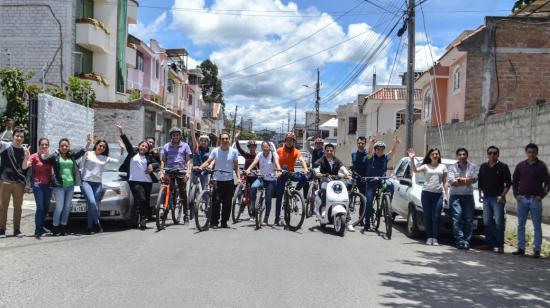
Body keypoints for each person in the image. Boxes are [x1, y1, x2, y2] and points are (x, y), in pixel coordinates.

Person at [39, 137, 90, 236]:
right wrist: (44, 151)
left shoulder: (71, 155)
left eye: (66, 145)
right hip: (59, 186)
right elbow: (44, 160)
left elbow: (82, 152)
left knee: (66, 207)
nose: (64, 147)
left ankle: (63, 227)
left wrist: (87, 144)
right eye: (62, 145)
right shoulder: (55, 156)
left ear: (69, 146)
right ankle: (55, 227)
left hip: (70, 186)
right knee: (59, 207)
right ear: (59, 146)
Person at [117, 124, 159, 230]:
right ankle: (141, 219)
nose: (144, 148)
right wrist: (122, 132)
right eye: (142, 146)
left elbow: (157, 164)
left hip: (147, 182)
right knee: (142, 198)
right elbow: (127, 144)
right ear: (139, 146)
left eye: (146, 147)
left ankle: (139, 220)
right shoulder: (133, 154)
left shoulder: (149, 157)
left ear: (148, 149)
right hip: (134, 181)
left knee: (143, 201)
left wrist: (152, 166)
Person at [512, 143, 550, 258]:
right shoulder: (520, 165)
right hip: (522, 199)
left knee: (537, 225)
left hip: (535, 200)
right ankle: (521, 248)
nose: (531, 154)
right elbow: (514, 181)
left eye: (533, 152)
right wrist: (516, 195)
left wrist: (542, 195)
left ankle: (537, 250)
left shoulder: (542, 166)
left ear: (537, 153)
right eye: (529, 152)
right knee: (521, 225)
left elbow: (548, 183)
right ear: (526, 152)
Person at [198, 132, 240, 228]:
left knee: (227, 203)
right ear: (220, 140)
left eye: (226, 139)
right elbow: (208, 161)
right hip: (217, 179)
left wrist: (239, 178)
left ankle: (224, 222)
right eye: (223, 139)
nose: (225, 140)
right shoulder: (215, 151)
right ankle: (214, 222)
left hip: (229, 180)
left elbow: (236, 167)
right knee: (216, 201)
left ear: (229, 140)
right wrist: (200, 167)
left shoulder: (234, 152)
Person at [408, 147, 448, 246]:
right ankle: (429, 237)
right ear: (429, 156)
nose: (435, 155)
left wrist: (446, 195)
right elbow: (415, 170)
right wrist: (412, 158)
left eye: (437, 154)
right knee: (427, 216)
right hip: (426, 194)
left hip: (438, 195)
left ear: (439, 156)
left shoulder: (443, 167)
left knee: (436, 216)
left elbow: (445, 182)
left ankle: (435, 238)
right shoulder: (426, 166)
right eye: (433, 154)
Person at [478, 146, 512, 254]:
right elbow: (480, 182)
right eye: (490, 153)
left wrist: (502, 195)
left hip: (497, 199)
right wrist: (480, 194)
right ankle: (489, 244)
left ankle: (500, 246)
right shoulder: (483, 166)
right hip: (486, 198)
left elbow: (508, 183)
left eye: (495, 153)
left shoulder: (503, 166)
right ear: (487, 154)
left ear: (498, 154)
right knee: (487, 222)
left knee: (499, 223)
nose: (492, 155)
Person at [81, 139, 118, 234]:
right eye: (100, 145)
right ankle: (97, 223)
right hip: (86, 182)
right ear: (96, 145)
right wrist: (87, 144)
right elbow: (81, 164)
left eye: (104, 147)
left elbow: (118, 161)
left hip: (97, 184)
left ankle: (89, 227)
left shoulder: (104, 158)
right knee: (92, 202)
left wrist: (122, 149)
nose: (101, 148)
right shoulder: (88, 153)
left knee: (92, 205)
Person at [313, 144, 354, 231]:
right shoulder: (321, 160)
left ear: (333, 151)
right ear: (325, 151)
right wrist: (317, 173)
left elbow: (342, 167)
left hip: (336, 181)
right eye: (327, 150)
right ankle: (324, 208)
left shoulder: (336, 160)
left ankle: (348, 220)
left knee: (345, 192)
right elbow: (317, 167)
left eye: (331, 150)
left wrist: (348, 174)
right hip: (325, 180)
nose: (329, 152)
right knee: (323, 188)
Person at [362, 136, 399, 232]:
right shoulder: (371, 157)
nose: (380, 151)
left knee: (390, 185)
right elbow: (369, 152)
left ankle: (387, 204)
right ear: (375, 150)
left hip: (381, 181)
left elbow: (392, 152)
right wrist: (371, 143)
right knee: (369, 202)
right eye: (378, 149)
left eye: (382, 149)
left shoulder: (385, 158)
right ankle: (366, 224)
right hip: (371, 182)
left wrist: (395, 144)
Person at [0, 126, 30, 238]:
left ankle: (17, 230)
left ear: (23, 138)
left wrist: (27, 156)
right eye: (17, 136)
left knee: (18, 208)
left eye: (21, 137)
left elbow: (24, 167)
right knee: (3, 207)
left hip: (19, 183)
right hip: (5, 181)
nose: (19, 138)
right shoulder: (5, 146)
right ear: (13, 137)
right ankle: (2, 229)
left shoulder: (25, 149)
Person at [274, 132, 309, 226]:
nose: (289, 142)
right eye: (288, 140)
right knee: (279, 195)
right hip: (281, 174)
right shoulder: (279, 150)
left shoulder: (296, 151)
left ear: (294, 142)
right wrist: (278, 170)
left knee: (304, 178)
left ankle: (295, 192)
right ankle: (277, 218)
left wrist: (305, 169)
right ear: (285, 141)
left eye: (291, 140)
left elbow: (302, 160)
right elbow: (276, 160)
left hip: (291, 172)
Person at [447, 148, 478, 250]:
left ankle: (467, 241)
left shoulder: (472, 166)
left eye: (464, 154)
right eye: (460, 154)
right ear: (457, 156)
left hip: (468, 196)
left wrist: (461, 180)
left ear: (467, 156)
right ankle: (460, 240)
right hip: (455, 196)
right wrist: (467, 181)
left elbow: (474, 180)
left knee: (469, 220)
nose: (462, 156)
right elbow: (452, 182)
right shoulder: (452, 167)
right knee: (457, 218)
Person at [245, 141, 281, 228]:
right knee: (253, 187)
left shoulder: (274, 154)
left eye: (267, 147)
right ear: (261, 148)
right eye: (263, 147)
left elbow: (277, 163)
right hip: (261, 178)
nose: (265, 148)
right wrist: (248, 169)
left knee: (268, 200)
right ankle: (254, 203)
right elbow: (254, 163)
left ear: (269, 147)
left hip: (271, 179)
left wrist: (279, 171)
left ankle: (266, 217)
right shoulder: (260, 155)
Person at [160, 127, 193, 222]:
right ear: (171, 136)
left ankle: (186, 213)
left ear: (179, 136)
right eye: (173, 135)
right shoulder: (166, 146)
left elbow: (188, 161)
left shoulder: (185, 146)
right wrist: (162, 171)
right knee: (166, 191)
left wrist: (187, 172)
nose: (175, 137)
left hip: (181, 171)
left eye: (177, 135)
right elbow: (163, 160)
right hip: (169, 170)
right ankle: (165, 212)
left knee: (182, 191)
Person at [23, 138, 53, 238]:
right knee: (40, 208)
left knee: (45, 208)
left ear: (48, 146)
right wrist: (27, 155)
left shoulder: (50, 157)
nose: (44, 146)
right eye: (42, 144)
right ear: (39, 145)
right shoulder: (34, 156)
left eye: (46, 145)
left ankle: (41, 226)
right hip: (38, 185)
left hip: (48, 186)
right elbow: (25, 166)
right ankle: (37, 230)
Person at [190, 120, 211, 190]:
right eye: (202, 141)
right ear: (199, 141)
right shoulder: (196, 147)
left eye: (205, 141)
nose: (203, 142)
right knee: (191, 187)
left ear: (208, 142)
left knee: (204, 187)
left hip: (204, 171)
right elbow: (193, 136)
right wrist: (192, 127)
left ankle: (205, 200)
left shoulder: (210, 151)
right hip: (195, 169)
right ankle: (192, 198)